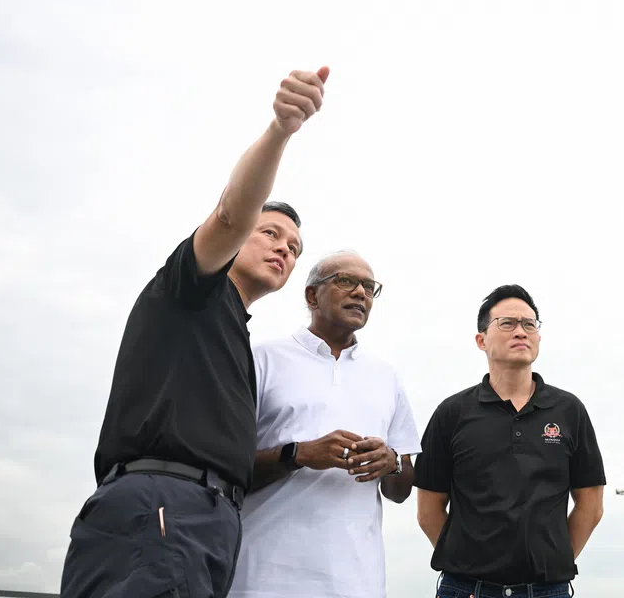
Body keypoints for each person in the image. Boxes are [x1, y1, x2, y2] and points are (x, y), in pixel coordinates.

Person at [59, 66, 330, 598]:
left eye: (294, 248)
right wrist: (281, 129)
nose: (284, 248)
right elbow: (231, 215)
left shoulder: (235, 333)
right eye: (271, 233)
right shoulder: (192, 290)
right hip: (161, 509)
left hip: (208, 522)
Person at [228, 250, 422, 598]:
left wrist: (391, 462)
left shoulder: (386, 376)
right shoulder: (262, 359)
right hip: (262, 578)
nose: (360, 293)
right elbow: (225, 470)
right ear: (311, 295)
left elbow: (401, 491)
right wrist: (299, 454)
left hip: (357, 582)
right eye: (346, 281)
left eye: (369, 286)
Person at [414, 284, 606, 598]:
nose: (521, 331)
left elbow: (591, 506)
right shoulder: (451, 413)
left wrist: (550, 562)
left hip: (548, 591)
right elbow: (428, 512)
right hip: (466, 589)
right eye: (508, 323)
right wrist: (470, 563)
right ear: (481, 340)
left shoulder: (570, 411)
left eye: (529, 324)